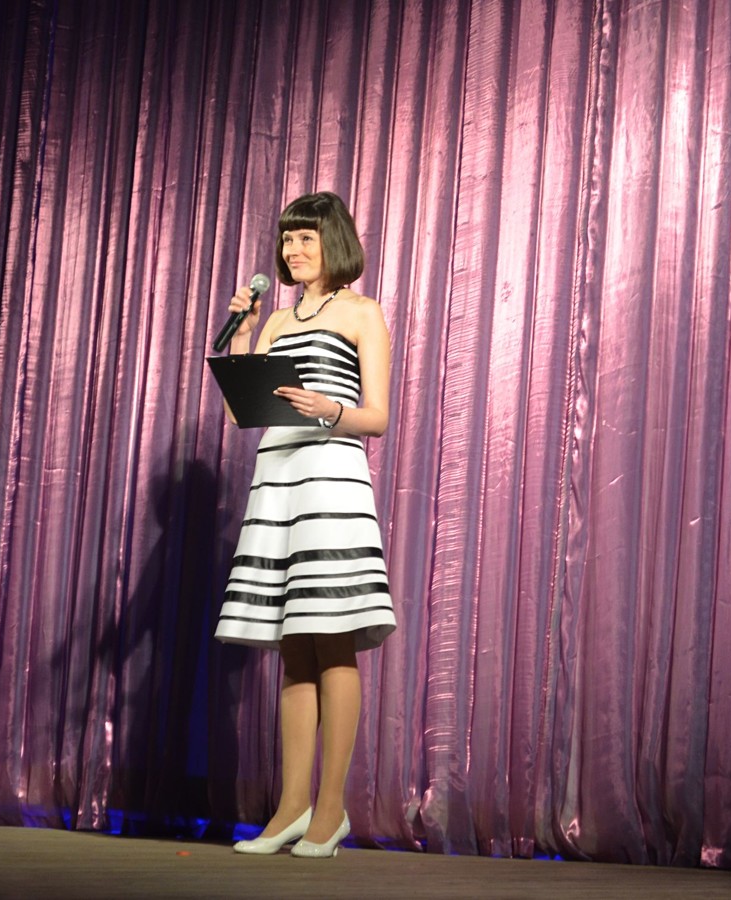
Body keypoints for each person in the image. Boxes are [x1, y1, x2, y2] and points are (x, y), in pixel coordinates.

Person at [214, 191, 396, 859]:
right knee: (293, 647)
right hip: (279, 475)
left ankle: (331, 810)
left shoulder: (362, 312)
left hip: (330, 474)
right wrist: (241, 334)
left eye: (306, 239)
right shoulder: (277, 321)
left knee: (332, 640)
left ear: (333, 243)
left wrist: (326, 408)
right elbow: (242, 414)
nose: (292, 250)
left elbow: (377, 417)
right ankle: (291, 807)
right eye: (287, 239)